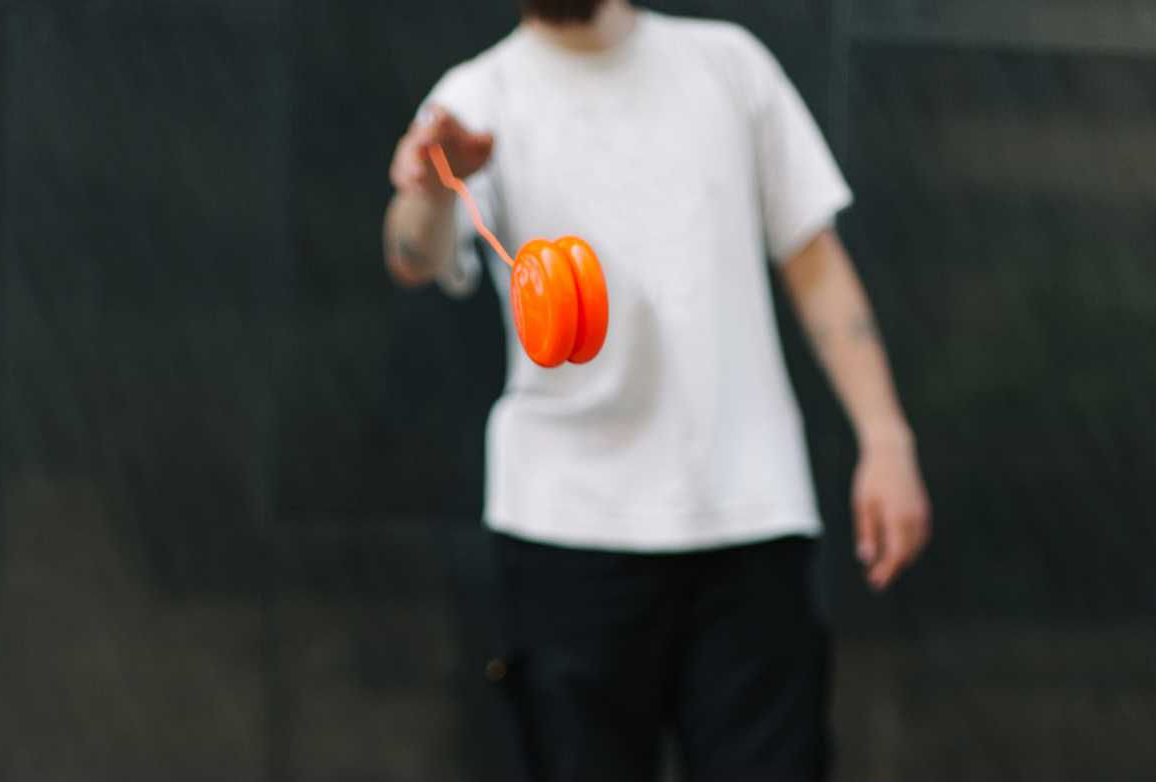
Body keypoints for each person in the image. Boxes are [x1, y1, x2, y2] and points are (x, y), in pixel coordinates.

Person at [383, 1, 930, 779]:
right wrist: (432, 187)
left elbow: (814, 262)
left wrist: (886, 437)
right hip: (562, 527)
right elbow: (412, 254)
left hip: (749, 515)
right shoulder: (476, 97)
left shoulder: (729, 65)